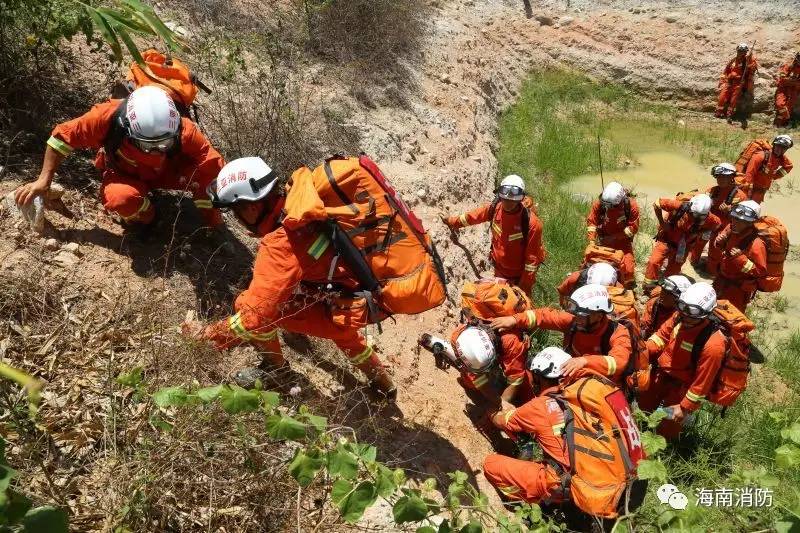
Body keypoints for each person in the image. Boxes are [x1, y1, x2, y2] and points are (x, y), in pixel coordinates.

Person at [183, 156, 448, 399]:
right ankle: (384, 384)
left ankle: (277, 372)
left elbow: (255, 316)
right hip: (355, 294)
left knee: (248, 306)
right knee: (343, 330)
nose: (238, 220)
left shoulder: (280, 244)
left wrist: (207, 336)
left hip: (344, 302)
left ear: (250, 209)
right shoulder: (304, 202)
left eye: (235, 211)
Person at [14, 86, 224, 230]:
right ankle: (149, 218)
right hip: (125, 172)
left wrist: (212, 219)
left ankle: (210, 224)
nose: (156, 151)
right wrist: (44, 179)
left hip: (168, 172)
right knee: (120, 199)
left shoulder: (184, 130)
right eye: (147, 145)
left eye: (164, 144)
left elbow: (214, 166)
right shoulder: (107, 117)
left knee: (208, 177)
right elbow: (60, 138)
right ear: (127, 128)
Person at [490, 284, 632, 385]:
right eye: (576, 314)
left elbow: (618, 362)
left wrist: (584, 361)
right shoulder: (575, 322)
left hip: (601, 386)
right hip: (571, 373)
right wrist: (514, 319)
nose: (577, 319)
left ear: (599, 315)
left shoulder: (618, 333)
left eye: (582, 316)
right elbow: (543, 316)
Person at [482, 347, 572, 504]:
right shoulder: (575, 399)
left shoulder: (540, 406)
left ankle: (524, 499)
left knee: (490, 464)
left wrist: (489, 409)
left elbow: (502, 421)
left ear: (539, 377)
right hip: (586, 478)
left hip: (560, 483)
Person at [638, 282, 726, 439]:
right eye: (682, 312)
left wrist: (684, 407)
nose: (685, 318)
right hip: (661, 373)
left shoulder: (713, 345)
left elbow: (701, 384)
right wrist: (642, 353)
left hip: (682, 388)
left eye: (690, 317)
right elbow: (661, 336)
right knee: (641, 409)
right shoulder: (680, 316)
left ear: (706, 314)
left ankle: (667, 446)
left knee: (666, 431)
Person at [442, 175, 546, 293]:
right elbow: (473, 217)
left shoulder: (532, 224)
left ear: (520, 199)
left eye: (513, 200)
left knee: (515, 307)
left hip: (518, 276)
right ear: (500, 196)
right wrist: (451, 221)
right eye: (505, 199)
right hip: (499, 269)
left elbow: (531, 261)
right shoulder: (494, 209)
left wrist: (523, 288)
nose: (508, 203)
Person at [644, 193, 720, 293]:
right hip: (666, 240)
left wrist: (698, 233)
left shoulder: (710, 218)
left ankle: (666, 289)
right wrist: (662, 223)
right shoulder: (680, 206)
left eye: (699, 216)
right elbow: (657, 203)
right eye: (693, 214)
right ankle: (648, 288)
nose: (694, 217)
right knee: (653, 262)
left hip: (684, 246)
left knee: (674, 270)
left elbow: (717, 225)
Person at [711, 201, 767, 312]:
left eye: (741, 221)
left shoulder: (756, 245)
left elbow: (760, 272)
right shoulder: (730, 229)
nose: (736, 222)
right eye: (735, 218)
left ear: (751, 222)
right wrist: (719, 242)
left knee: (730, 318)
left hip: (737, 290)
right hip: (720, 281)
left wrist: (741, 259)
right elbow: (721, 248)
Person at [586, 181, 640, 284]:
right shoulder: (600, 204)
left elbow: (632, 229)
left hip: (623, 243)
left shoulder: (631, 206)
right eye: (606, 205)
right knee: (591, 264)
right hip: (603, 241)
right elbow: (592, 222)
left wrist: (614, 237)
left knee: (628, 272)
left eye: (611, 206)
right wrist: (592, 241)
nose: (608, 208)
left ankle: (625, 289)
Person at [741, 135, 794, 203]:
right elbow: (749, 174)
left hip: (760, 191)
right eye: (778, 146)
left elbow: (789, 166)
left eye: (783, 148)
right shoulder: (760, 156)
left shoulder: (781, 158)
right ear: (774, 145)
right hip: (749, 189)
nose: (780, 150)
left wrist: (773, 176)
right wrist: (748, 192)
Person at [716, 43, 758, 120]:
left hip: (739, 83)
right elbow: (725, 71)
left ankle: (729, 115)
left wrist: (751, 58)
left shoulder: (747, 61)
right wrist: (722, 82)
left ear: (745, 52)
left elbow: (753, 67)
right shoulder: (733, 61)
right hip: (729, 82)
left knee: (734, 100)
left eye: (743, 51)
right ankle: (719, 112)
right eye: (739, 51)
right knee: (722, 96)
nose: (740, 53)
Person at [774, 52, 800, 127]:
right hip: (783, 88)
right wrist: (793, 81)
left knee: (789, 106)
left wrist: (792, 81)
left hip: (794, 90)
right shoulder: (789, 65)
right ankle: (787, 118)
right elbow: (782, 77)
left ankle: (781, 123)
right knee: (780, 104)